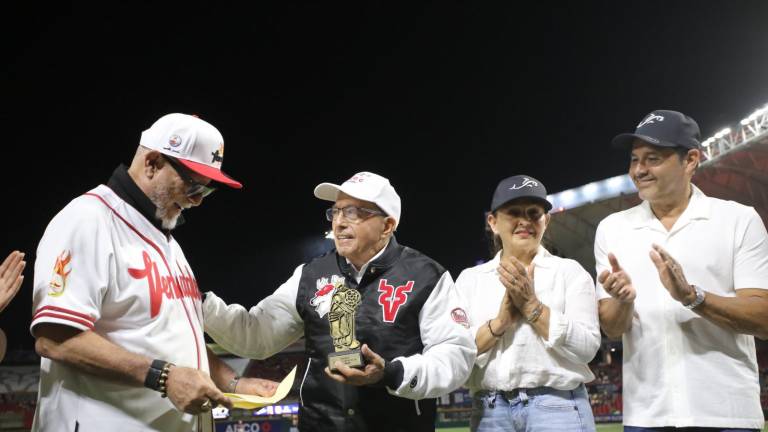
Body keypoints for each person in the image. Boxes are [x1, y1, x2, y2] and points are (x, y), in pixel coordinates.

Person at [30, 113, 277, 432]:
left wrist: (232, 383)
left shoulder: (167, 241)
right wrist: (163, 376)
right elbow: (55, 340)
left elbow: (170, 340)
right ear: (152, 162)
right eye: (193, 185)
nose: (198, 200)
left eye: (208, 190)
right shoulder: (89, 219)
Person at [203, 171, 476, 432]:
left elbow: (455, 356)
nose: (339, 222)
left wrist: (390, 373)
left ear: (387, 225)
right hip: (320, 425)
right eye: (336, 211)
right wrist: (198, 303)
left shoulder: (426, 275)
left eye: (354, 212)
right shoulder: (310, 275)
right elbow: (255, 336)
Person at [595, 110, 768, 431]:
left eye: (653, 159)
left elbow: (763, 318)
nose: (639, 170)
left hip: (726, 411)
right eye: (634, 160)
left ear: (690, 160)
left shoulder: (738, 220)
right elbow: (613, 327)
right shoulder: (612, 229)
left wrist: (692, 297)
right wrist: (623, 301)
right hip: (647, 415)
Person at [457, 175, 600, 432]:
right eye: (513, 212)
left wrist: (532, 307)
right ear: (493, 222)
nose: (525, 221)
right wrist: (500, 323)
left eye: (534, 213)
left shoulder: (570, 272)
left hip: (558, 406)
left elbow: (587, 348)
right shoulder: (470, 280)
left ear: (546, 221)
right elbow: (457, 352)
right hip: (490, 410)